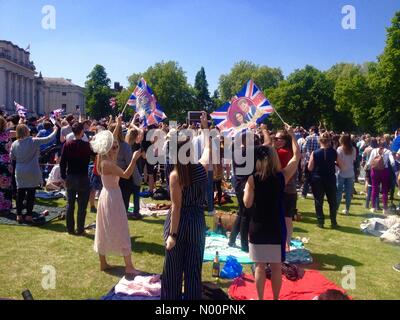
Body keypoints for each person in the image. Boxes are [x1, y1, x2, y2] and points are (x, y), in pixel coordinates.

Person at [243, 124, 300, 300]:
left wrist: (248, 187)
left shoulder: (252, 179)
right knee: (276, 267)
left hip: (258, 226)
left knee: (259, 266)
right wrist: (292, 136)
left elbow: (247, 204)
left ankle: (260, 299)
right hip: (276, 227)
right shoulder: (281, 177)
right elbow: (296, 157)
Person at [161, 112, 210, 300]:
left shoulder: (175, 175)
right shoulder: (201, 168)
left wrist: (172, 235)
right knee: (193, 272)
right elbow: (208, 149)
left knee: (173, 273)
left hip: (179, 224)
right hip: (197, 222)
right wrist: (205, 128)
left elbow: (177, 208)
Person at [91, 117, 142, 277]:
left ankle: (103, 263)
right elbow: (127, 175)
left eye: (116, 146)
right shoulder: (108, 164)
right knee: (121, 228)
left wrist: (118, 124)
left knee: (103, 228)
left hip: (107, 195)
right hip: (112, 197)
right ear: (106, 149)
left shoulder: (102, 158)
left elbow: (110, 140)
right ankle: (129, 266)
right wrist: (134, 159)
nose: (115, 148)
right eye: (113, 147)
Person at [11, 124, 58, 223]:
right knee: (31, 194)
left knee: (20, 194)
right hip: (32, 170)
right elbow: (49, 139)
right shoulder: (33, 140)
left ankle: (18, 215)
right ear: (26, 131)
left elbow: (12, 157)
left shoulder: (14, 143)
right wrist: (55, 130)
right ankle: (28, 215)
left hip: (20, 171)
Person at [60, 122, 93, 235]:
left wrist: (64, 176)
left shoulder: (67, 144)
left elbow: (62, 162)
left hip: (71, 177)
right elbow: (95, 154)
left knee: (70, 204)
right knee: (82, 206)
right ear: (82, 132)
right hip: (83, 177)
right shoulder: (86, 146)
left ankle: (70, 229)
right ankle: (80, 229)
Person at [308, 132, 344, 229]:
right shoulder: (333, 152)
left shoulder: (314, 153)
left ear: (320, 141)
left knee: (318, 201)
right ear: (329, 141)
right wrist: (335, 163)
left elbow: (310, 168)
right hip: (330, 178)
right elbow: (342, 166)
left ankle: (320, 222)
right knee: (332, 201)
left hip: (318, 178)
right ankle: (333, 222)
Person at [273, 129, 297, 250]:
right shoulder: (289, 151)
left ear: (284, 141)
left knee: (282, 218)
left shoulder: (281, 152)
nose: (275, 140)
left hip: (283, 189)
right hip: (291, 189)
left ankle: (284, 244)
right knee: (287, 218)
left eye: (277, 139)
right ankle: (286, 243)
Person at [367, 137, 395, 215]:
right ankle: (385, 209)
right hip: (384, 171)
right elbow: (392, 162)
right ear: (386, 144)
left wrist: (368, 166)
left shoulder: (374, 150)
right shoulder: (388, 151)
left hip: (374, 171)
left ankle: (373, 207)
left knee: (374, 188)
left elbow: (369, 162)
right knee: (385, 190)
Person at [336, 134, 357, 215]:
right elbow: (354, 160)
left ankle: (336, 209)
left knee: (339, 192)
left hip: (341, 172)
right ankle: (347, 210)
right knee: (348, 193)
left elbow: (338, 161)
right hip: (350, 172)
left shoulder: (339, 149)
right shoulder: (353, 149)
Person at [0, 116, 14, 215]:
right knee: (7, 185)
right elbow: (22, 131)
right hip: (6, 163)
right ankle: (6, 206)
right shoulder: (8, 134)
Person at [301, 126, 319, 199]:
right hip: (317, 161)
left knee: (307, 178)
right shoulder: (319, 138)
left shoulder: (308, 138)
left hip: (308, 160)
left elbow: (303, 148)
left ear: (312, 130)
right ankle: (316, 194)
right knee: (316, 178)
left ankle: (304, 194)